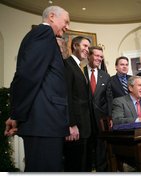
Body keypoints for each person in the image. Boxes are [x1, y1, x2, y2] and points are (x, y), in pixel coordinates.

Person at [4, 6, 70, 172]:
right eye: (66, 21)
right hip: (44, 121)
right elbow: (27, 75)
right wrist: (16, 114)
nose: (67, 26)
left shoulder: (44, 36)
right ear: (52, 17)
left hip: (45, 122)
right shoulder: (44, 33)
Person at [63, 36, 91, 171]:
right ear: (75, 46)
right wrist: (71, 124)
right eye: (85, 46)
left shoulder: (81, 67)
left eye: (88, 47)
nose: (87, 50)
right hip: (75, 126)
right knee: (75, 165)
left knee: (84, 164)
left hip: (84, 125)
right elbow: (66, 95)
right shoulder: (67, 65)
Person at [84, 46, 113, 171]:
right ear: (89, 56)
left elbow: (109, 99)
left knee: (101, 150)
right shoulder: (80, 72)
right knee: (86, 152)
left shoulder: (105, 76)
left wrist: (110, 117)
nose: (99, 59)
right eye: (97, 56)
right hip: (85, 120)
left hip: (101, 120)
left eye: (101, 57)